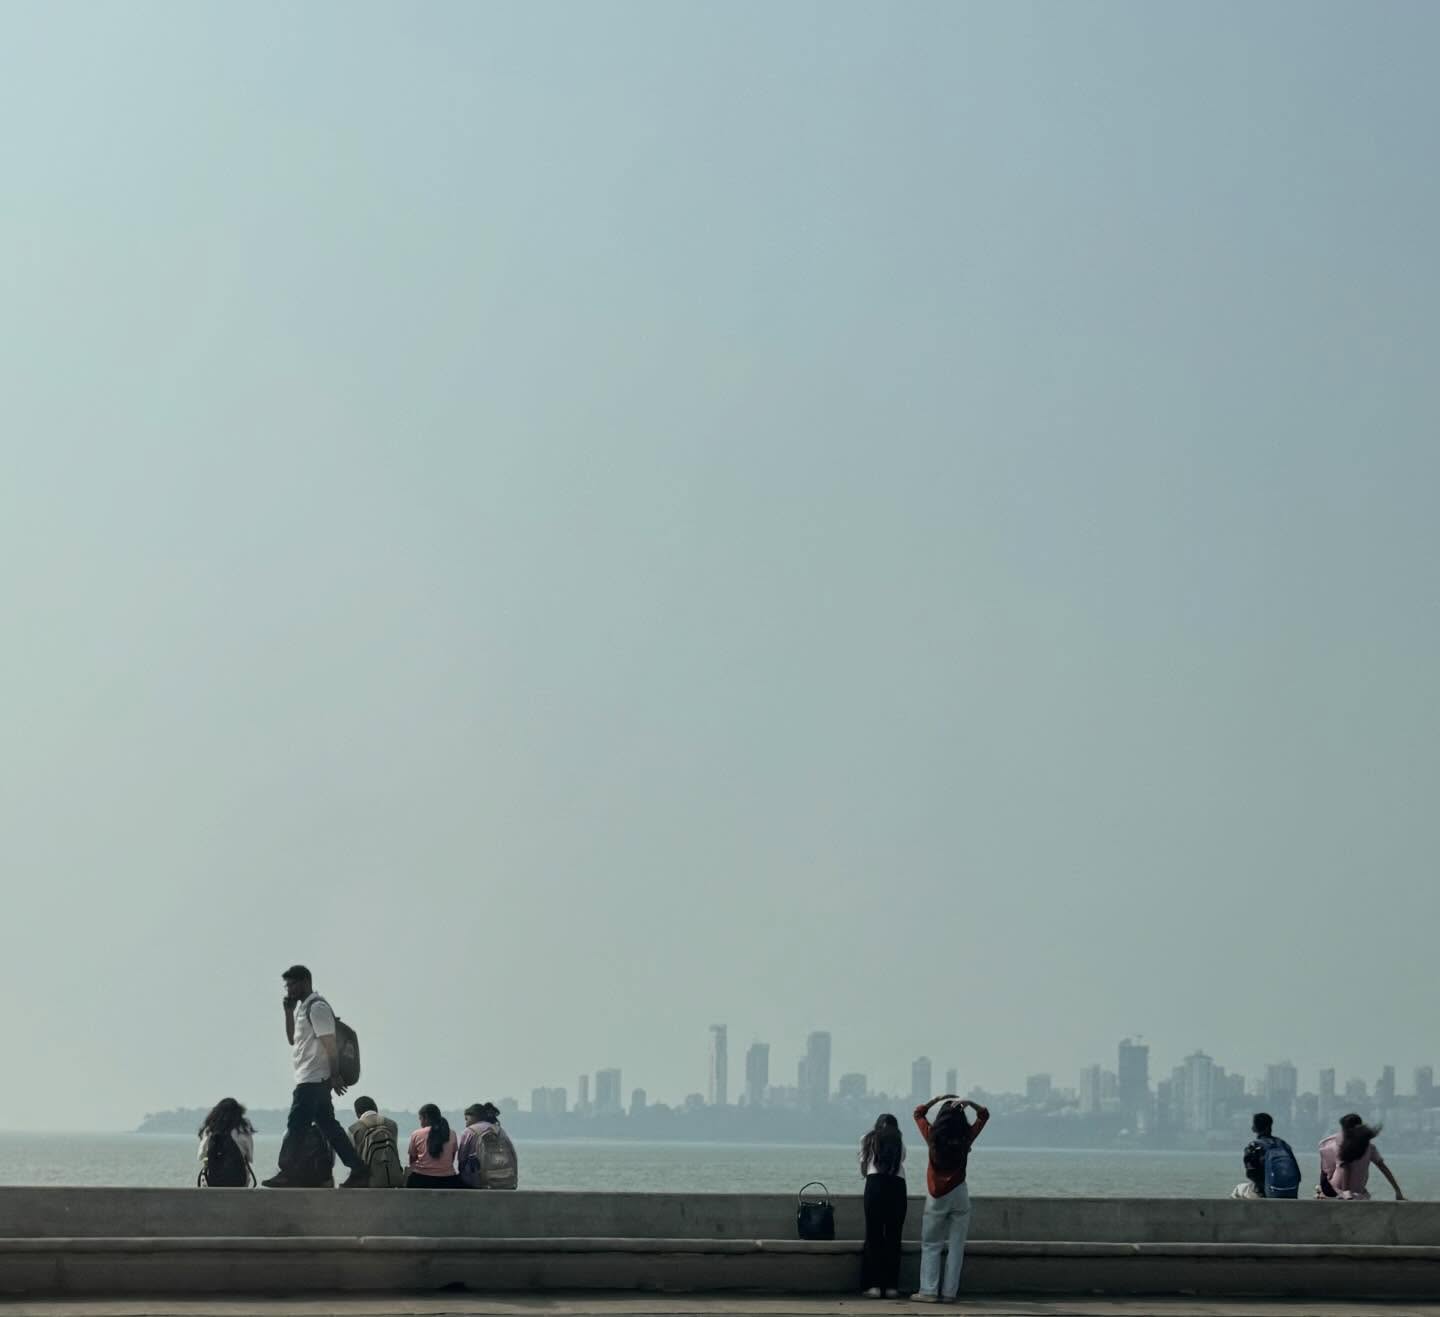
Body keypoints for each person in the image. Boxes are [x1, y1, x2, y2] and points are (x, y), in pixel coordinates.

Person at [262, 965, 369, 1189]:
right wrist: (287, 1012)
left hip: (313, 1079)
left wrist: (335, 1074)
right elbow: (293, 1039)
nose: (289, 989)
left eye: (292, 984)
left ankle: (287, 1170)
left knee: (296, 1125)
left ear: (305, 982)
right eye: (287, 985)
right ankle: (358, 1168)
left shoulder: (317, 1007)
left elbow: (329, 1043)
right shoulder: (303, 1009)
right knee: (329, 1127)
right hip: (309, 1078)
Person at [911, 1094, 989, 1304]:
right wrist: (970, 1102)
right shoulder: (965, 1138)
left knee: (931, 1244)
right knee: (956, 1246)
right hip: (959, 1193)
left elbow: (917, 1113)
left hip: (936, 1195)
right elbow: (984, 1115)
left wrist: (937, 1100)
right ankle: (949, 1293)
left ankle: (928, 1291)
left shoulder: (932, 1135)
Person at [858, 1113, 907, 1299]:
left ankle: (874, 1286)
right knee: (894, 1237)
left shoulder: (867, 1139)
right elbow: (901, 1161)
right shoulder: (900, 1142)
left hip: (875, 1185)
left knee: (874, 1235)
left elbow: (863, 1164)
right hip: (897, 1186)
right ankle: (892, 1287)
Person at [1318, 1114, 1404, 1201]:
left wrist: (1346, 1192)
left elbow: (1346, 1168)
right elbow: (1383, 1168)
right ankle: (1325, 1189)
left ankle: (1321, 1190)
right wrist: (1397, 1191)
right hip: (1356, 1189)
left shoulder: (1341, 1146)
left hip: (1334, 1190)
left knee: (1325, 1155)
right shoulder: (1370, 1147)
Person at [1236, 1112, 1301, 1199]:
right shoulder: (1283, 1144)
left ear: (1254, 1128)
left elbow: (1251, 1174)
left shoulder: (1254, 1146)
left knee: (1238, 1190)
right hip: (1290, 1193)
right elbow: (1298, 1175)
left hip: (1266, 1193)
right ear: (1270, 1125)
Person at [457, 1102, 520, 1190]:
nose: (466, 1123)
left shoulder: (469, 1131)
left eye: (466, 1119)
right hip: (506, 1182)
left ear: (474, 1117)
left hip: (480, 1183)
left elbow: (461, 1161)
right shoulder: (500, 1130)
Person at [197, 1098, 255, 1187]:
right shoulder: (243, 1129)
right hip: (239, 1182)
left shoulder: (210, 1129)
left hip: (212, 1181)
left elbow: (201, 1155)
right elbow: (250, 1157)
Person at [349, 1096, 405, 1188]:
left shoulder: (354, 1129)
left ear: (357, 1113)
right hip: (393, 1178)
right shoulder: (391, 1124)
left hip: (368, 1181)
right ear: (376, 1108)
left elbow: (353, 1158)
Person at [406, 1103, 461, 1188]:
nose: (420, 1123)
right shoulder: (452, 1133)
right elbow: (452, 1159)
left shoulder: (417, 1134)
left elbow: (412, 1160)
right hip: (449, 1180)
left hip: (421, 1180)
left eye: (420, 1119)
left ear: (426, 1117)